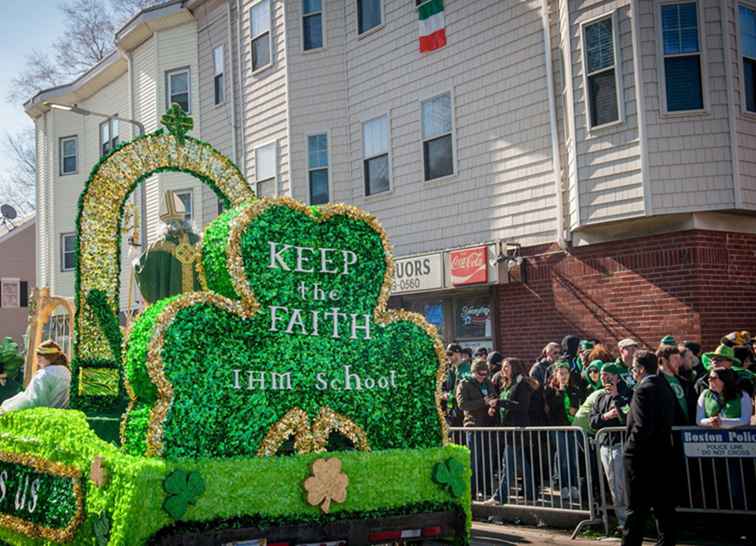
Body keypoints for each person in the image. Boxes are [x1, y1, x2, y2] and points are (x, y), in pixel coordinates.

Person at [622, 350, 677, 546]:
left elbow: (642, 426)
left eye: (634, 369)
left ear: (642, 369)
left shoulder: (643, 389)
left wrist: (629, 450)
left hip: (642, 458)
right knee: (664, 507)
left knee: (636, 509)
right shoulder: (666, 386)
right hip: (662, 454)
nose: (633, 372)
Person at [489, 358, 537, 504]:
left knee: (507, 464)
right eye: (503, 367)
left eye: (507, 367)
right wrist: (494, 407)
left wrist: (500, 403)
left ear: (515, 368)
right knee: (522, 463)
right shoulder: (506, 385)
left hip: (518, 428)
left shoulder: (522, 384)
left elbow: (521, 406)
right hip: (508, 429)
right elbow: (504, 405)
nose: (504, 369)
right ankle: (531, 493)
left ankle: (499, 497)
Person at [590, 363, 632, 531]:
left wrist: (617, 397)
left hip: (620, 443)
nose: (603, 377)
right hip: (604, 445)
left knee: (621, 484)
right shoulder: (600, 396)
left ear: (616, 377)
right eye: (601, 374)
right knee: (612, 483)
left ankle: (628, 520)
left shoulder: (626, 393)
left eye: (607, 374)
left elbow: (628, 416)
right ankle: (623, 520)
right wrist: (606, 416)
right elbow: (592, 421)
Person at [457, 359, 497, 497]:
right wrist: (482, 402)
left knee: (487, 458)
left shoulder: (488, 382)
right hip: (473, 426)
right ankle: (472, 490)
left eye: (485, 374)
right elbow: (462, 404)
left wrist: (492, 404)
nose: (482, 377)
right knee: (474, 459)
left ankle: (486, 488)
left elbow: (493, 396)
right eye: (480, 374)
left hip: (487, 426)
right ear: (473, 372)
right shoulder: (464, 383)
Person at [545, 361, 582, 503]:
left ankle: (574, 485)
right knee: (563, 457)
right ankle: (563, 485)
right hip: (558, 428)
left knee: (572, 457)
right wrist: (560, 391)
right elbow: (552, 409)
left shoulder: (574, 388)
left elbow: (576, 405)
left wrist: (574, 409)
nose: (564, 376)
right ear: (555, 375)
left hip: (572, 427)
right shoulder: (550, 390)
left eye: (566, 373)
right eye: (561, 373)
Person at [1, 340, 71, 413]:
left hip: (45, 417)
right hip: (62, 415)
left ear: (45, 357)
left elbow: (33, 401)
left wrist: (6, 408)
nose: (37, 362)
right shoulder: (66, 372)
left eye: (39, 358)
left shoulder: (44, 374)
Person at [657, 346, 696, 426]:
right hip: (667, 430)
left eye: (679, 358)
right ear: (664, 360)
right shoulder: (655, 381)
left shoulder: (684, 382)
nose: (679, 362)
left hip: (685, 429)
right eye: (675, 358)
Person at [529, 342, 561, 426]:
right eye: (555, 353)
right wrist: (544, 402)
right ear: (547, 353)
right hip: (541, 406)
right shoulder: (537, 368)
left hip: (555, 404)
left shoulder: (559, 366)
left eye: (559, 352)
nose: (558, 355)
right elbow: (534, 388)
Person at [441, 344, 469, 427]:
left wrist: (449, 395)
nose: (448, 357)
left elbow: (462, 390)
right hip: (452, 409)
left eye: (450, 354)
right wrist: (444, 393)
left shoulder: (466, 369)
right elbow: (447, 387)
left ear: (458, 354)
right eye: (447, 354)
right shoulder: (451, 369)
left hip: (462, 410)